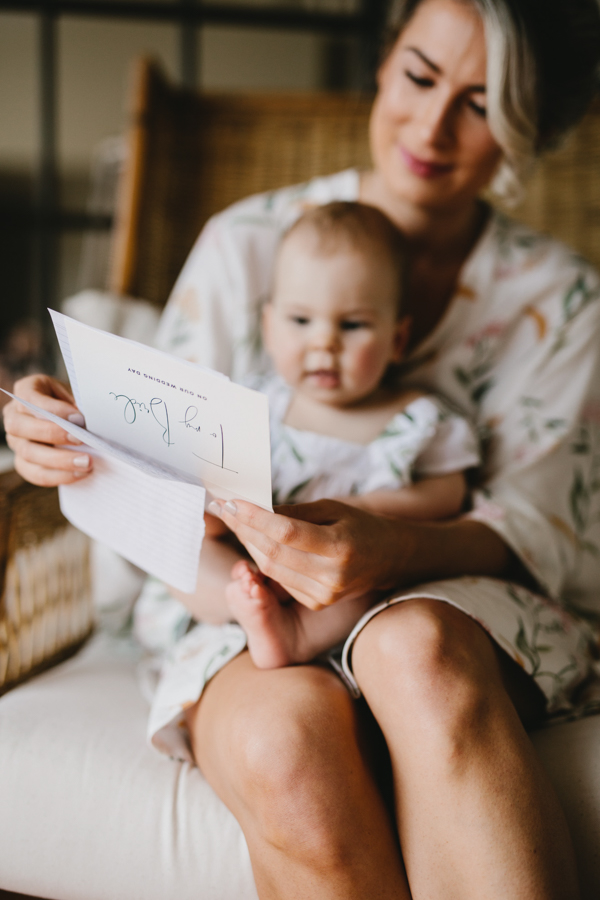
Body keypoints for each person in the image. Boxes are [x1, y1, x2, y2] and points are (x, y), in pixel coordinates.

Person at [5, 0, 600, 896]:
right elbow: (153, 452)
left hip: (454, 591)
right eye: (420, 75)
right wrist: (62, 432)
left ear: (528, 125)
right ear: (383, 60)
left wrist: (392, 544)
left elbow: (543, 525)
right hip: (243, 600)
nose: (431, 127)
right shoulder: (246, 245)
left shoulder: (563, 304)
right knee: (286, 745)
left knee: (420, 654)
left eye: (480, 103)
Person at [185, 200, 480, 670]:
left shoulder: (416, 420)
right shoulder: (251, 405)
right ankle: (246, 604)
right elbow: (214, 473)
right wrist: (215, 512)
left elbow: (449, 493)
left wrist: (372, 513)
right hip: (251, 559)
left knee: (374, 577)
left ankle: (297, 634)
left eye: (353, 324)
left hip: (342, 578)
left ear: (397, 340)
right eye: (301, 321)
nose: (324, 342)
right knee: (186, 549)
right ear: (269, 327)